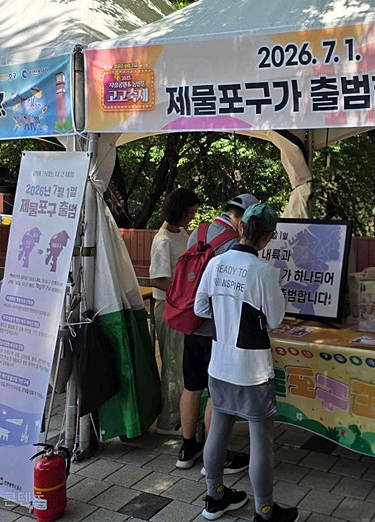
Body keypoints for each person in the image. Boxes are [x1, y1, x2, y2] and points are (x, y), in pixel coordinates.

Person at [195, 202, 297, 522]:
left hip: (219, 363)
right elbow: (275, 320)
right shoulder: (263, 271)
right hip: (252, 370)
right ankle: (264, 512)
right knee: (261, 441)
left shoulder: (216, 263)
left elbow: (200, 308)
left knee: (218, 430)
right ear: (268, 237)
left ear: (241, 228)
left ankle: (215, 497)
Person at [175, 194, 258, 473]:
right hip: (217, 329)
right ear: (243, 219)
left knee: (191, 386)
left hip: (191, 322)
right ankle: (215, 455)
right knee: (216, 392)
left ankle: (187, 448)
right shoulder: (234, 244)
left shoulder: (198, 232)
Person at [149, 187, 200, 436]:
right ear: (180, 210)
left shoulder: (181, 233)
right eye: (190, 212)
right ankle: (168, 421)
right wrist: (184, 293)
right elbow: (157, 279)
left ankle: (180, 415)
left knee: (180, 363)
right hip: (169, 307)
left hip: (181, 307)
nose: (192, 217)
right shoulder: (163, 240)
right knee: (171, 364)